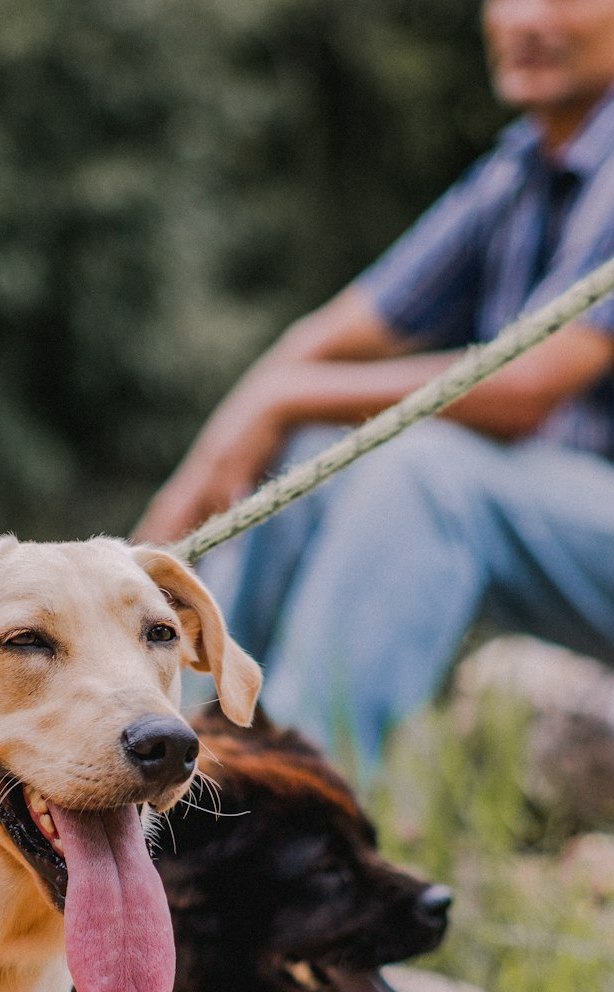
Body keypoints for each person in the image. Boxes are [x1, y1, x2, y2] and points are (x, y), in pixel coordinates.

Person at [135, 0, 614, 777]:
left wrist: (285, 398)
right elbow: (317, 344)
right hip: (573, 528)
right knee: (313, 452)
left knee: (424, 475)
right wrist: (173, 518)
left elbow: (527, 388)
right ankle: (171, 752)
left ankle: (289, 814)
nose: (529, 18)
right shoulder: (520, 170)